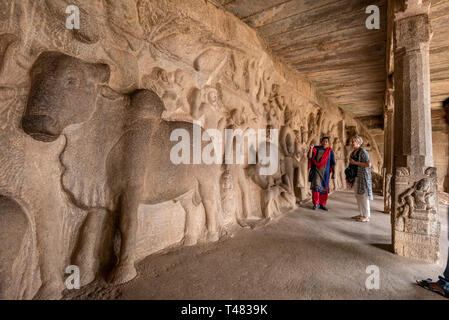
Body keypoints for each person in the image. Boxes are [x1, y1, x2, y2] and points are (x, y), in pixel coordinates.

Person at [348, 135, 373, 222]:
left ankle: (366, 216)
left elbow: (368, 164)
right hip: (355, 176)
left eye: (353, 142)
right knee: (358, 195)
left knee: (363, 196)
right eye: (351, 141)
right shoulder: (353, 152)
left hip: (363, 176)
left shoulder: (363, 152)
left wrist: (355, 163)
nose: (351, 143)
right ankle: (361, 214)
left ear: (358, 143)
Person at [308, 136, 335, 211]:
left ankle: (322, 204)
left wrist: (334, 173)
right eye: (324, 141)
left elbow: (333, 163)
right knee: (316, 187)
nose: (325, 142)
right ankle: (316, 203)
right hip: (316, 171)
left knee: (324, 188)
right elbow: (309, 157)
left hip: (326, 173)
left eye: (327, 141)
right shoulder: (316, 149)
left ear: (328, 143)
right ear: (321, 142)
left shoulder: (330, 151)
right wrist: (311, 149)